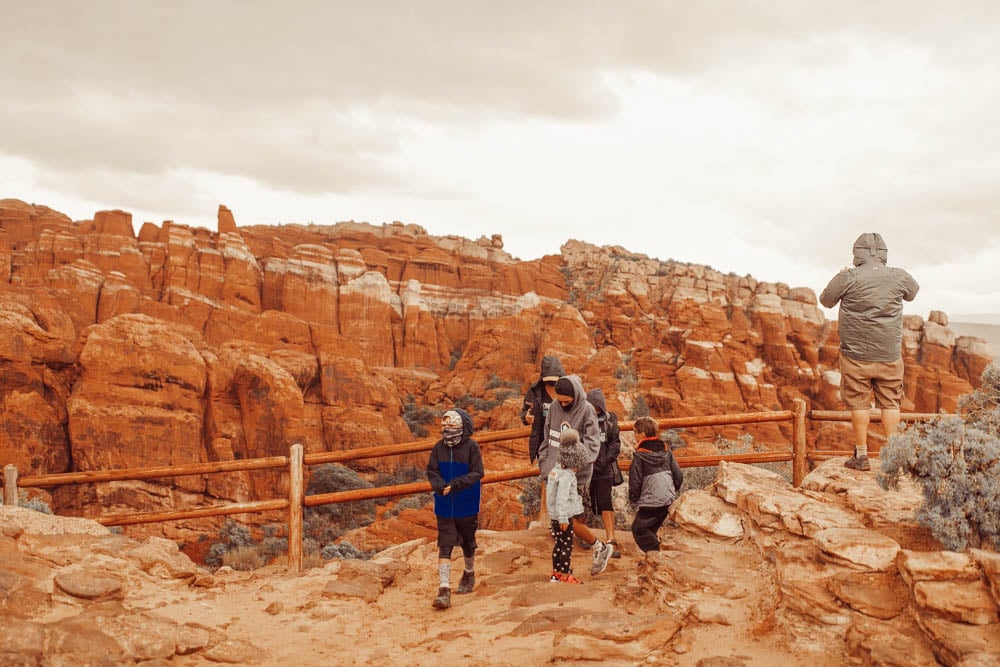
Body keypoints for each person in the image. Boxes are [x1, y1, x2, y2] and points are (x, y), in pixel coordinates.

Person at [819, 232, 919, 471]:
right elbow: (912, 293)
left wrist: (841, 275)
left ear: (857, 254)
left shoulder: (848, 277)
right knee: (891, 403)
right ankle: (894, 459)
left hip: (855, 356)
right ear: (883, 254)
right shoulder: (899, 275)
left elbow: (826, 300)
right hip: (889, 355)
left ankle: (861, 456)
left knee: (859, 403)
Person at [538, 375, 613, 577]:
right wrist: (544, 464)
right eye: (560, 401)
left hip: (575, 477)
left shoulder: (587, 410)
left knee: (570, 520)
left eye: (566, 402)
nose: (563, 404)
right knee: (559, 521)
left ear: (576, 395)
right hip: (554, 473)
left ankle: (598, 547)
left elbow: (593, 444)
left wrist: (575, 468)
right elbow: (547, 437)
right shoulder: (554, 407)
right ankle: (563, 569)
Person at [426, 408, 484, 610]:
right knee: (445, 544)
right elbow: (431, 471)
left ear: (461, 427)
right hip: (444, 505)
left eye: (451, 425)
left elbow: (478, 472)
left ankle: (469, 572)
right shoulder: (438, 448)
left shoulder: (471, 447)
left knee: (468, 541)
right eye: (444, 426)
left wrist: (457, 483)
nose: (447, 429)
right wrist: (439, 484)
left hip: (466, 503)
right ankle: (444, 590)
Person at [629, 416, 683, 554]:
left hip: (650, 503)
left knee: (639, 530)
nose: (634, 435)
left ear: (641, 435)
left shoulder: (639, 456)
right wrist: (672, 491)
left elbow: (635, 482)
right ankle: (651, 558)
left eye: (634, 432)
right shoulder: (666, 451)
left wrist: (633, 499)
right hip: (667, 500)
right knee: (650, 529)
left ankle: (659, 554)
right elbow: (678, 475)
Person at [546, 429, 589, 584]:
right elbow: (562, 498)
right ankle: (565, 575)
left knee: (558, 543)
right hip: (563, 517)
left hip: (554, 516)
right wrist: (564, 517)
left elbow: (552, 497)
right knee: (567, 545)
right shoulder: (566, 476)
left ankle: (556, 573)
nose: (578, 470)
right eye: (578, 467)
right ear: (574, 462)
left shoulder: (555, 471)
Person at [586, 388, 622, 559]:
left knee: (605, 502)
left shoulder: (610, 420)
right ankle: (586, 538)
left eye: (597, 407)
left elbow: (615, 443)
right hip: (586, 469)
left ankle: (610, 539)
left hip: (604, 469)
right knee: (583, 503)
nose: (595, 410)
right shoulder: (582, 418)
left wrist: (604, 461)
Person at [521, 355, 566, 464]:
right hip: (542, 443)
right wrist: (526, 418)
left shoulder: (567, 390)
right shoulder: (534, 391)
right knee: (546, 476)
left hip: (563, 441)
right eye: (549, 380)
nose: (552, 383)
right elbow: (524, 412)